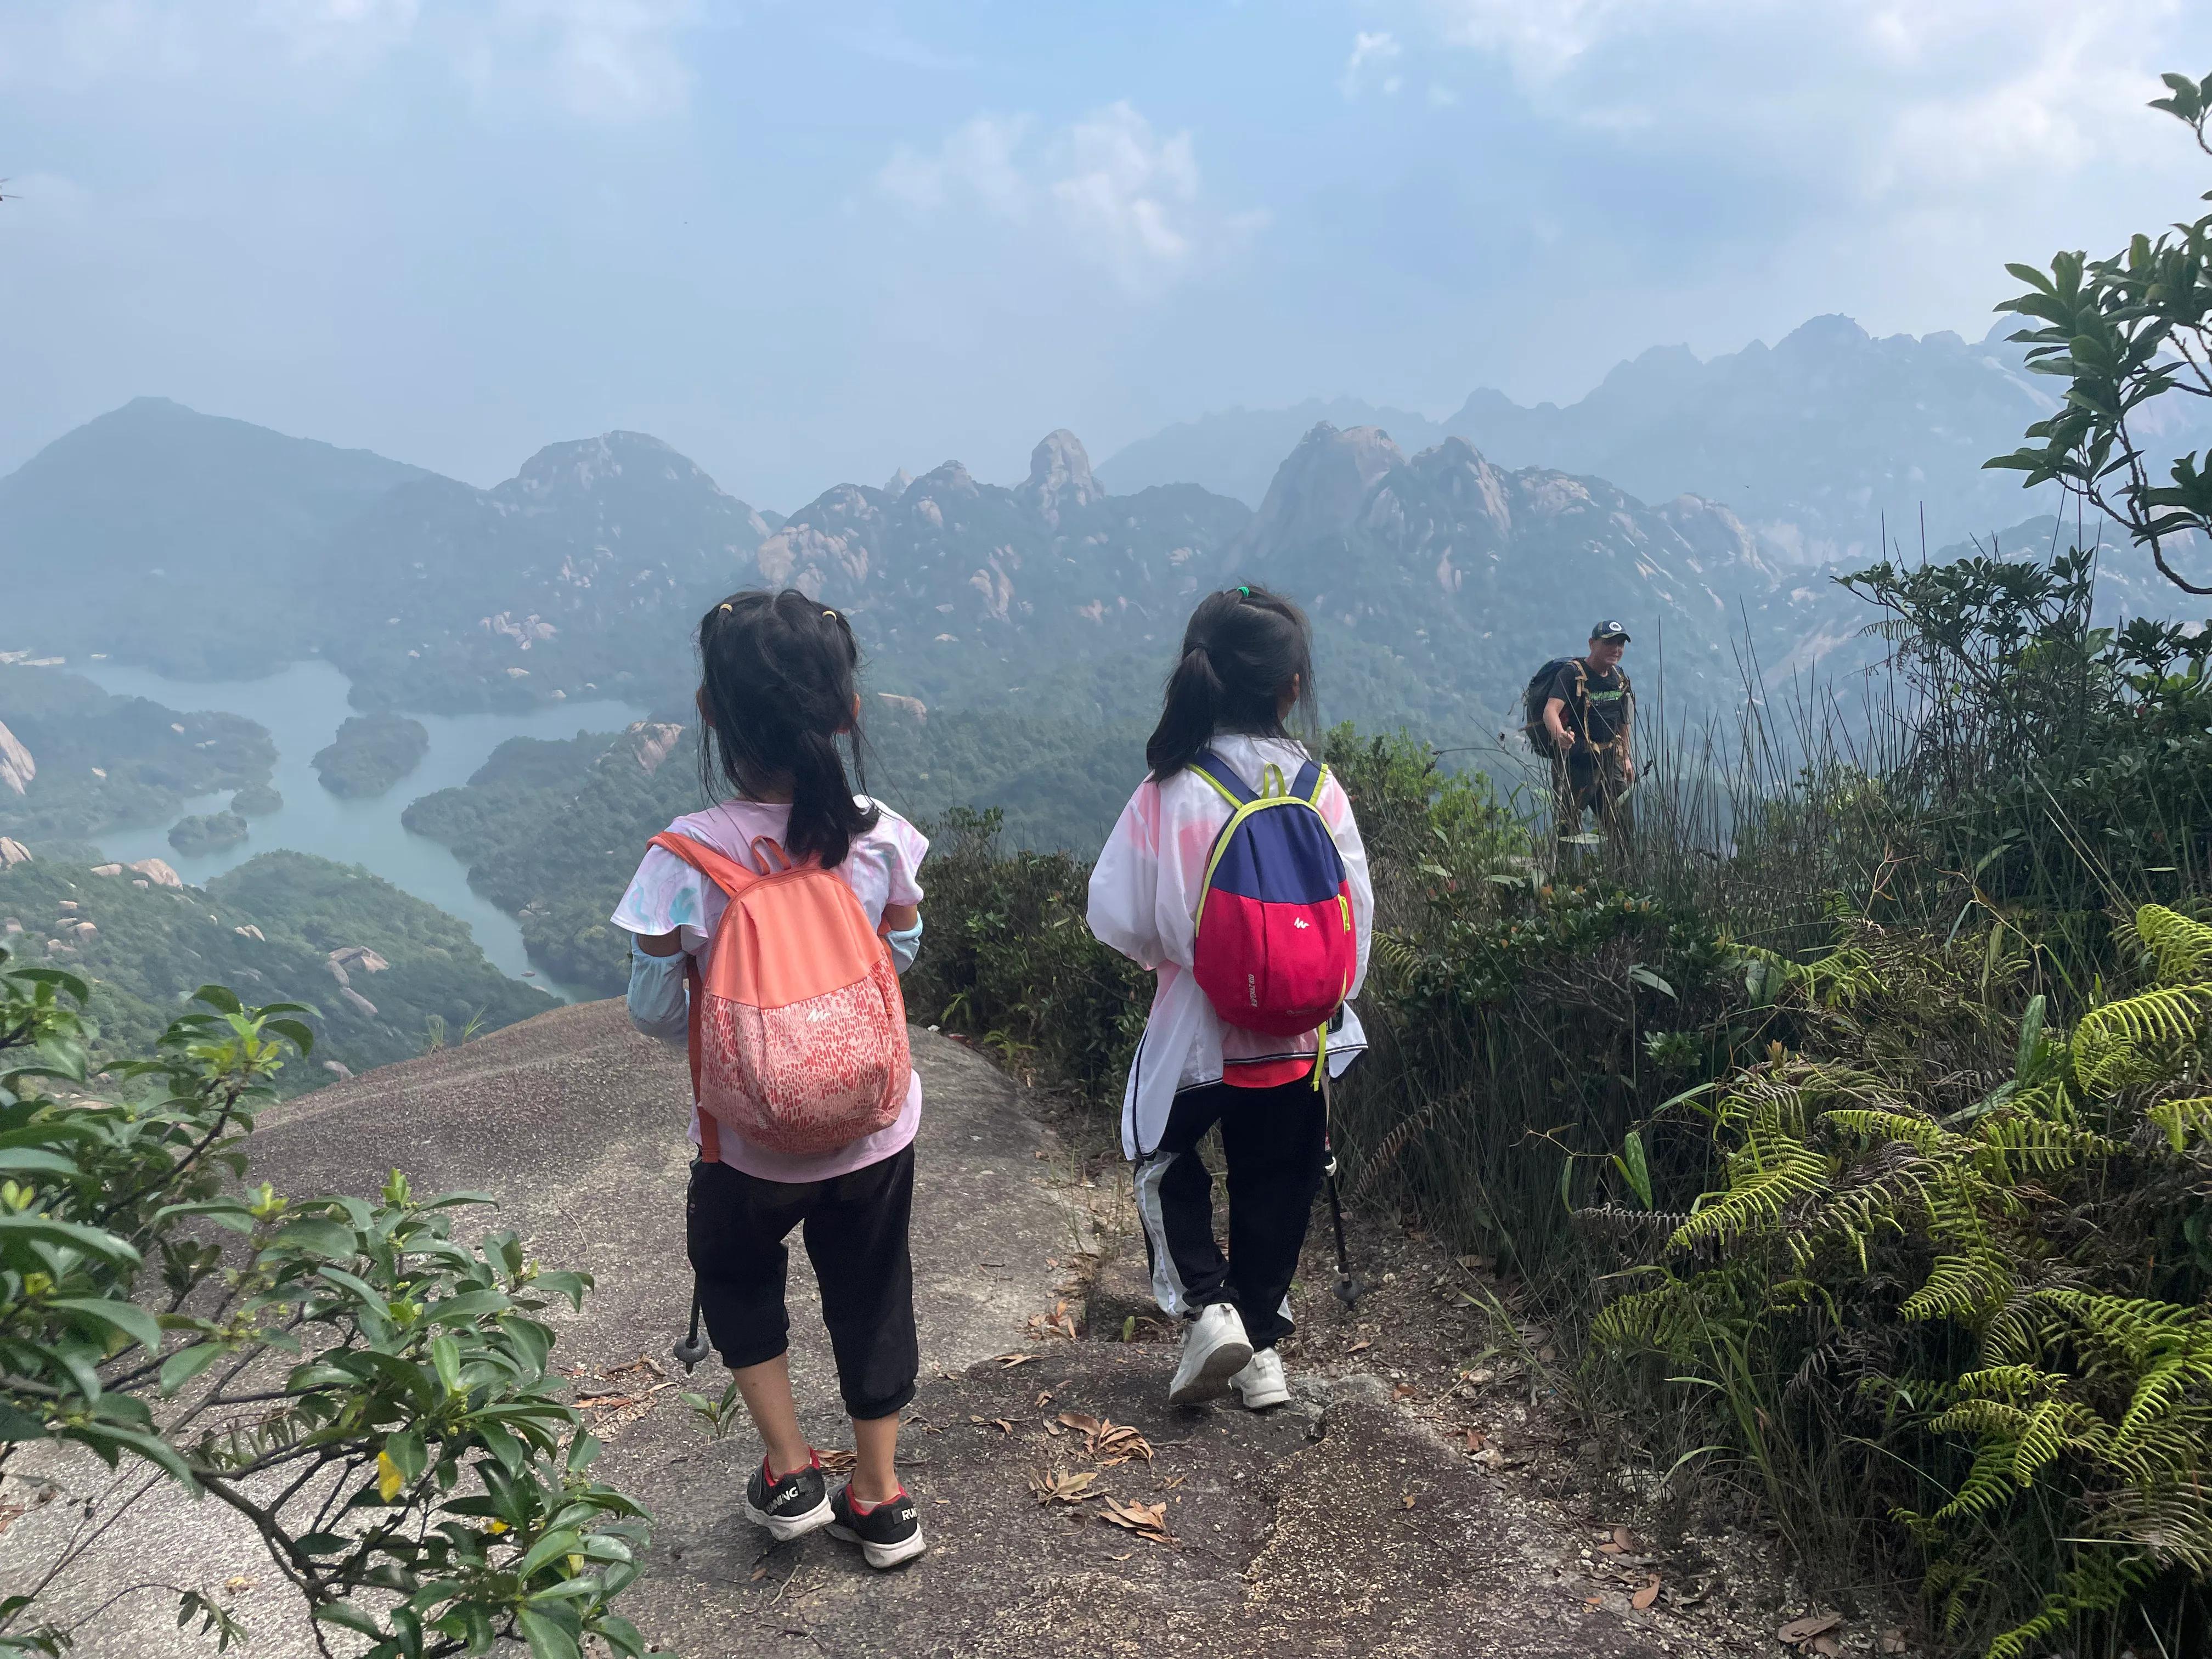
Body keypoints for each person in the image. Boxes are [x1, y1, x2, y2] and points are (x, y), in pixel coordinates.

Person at [615, 589, 932, 1570]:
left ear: (712, 712)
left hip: (747, 1142)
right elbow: (901, 955)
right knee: (873, 1290)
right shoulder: (879, 833)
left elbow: (657, 1012)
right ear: (846, 712)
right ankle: (879, 1495)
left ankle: (788, 1467)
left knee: (738, 1272)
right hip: (874, 1130)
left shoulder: (684, 857)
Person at [1087, 586, 1373, 1410]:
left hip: (1196, 1032)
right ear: (1290, 688)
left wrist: (1181, 958)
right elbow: (1357, 923)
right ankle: (1263, 1345)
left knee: (1160, 1154)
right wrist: (1310, 986)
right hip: (1301, 1034)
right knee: (1279, 1178)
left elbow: (1118, 916)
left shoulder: (1172, 788)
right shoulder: (1322, 789)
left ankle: (1211, 1309)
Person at [1543, 620, 1636, 843]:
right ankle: (1563, 875)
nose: (1616, 649)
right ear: (1592, 644)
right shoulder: (1572, 674)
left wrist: (1626, 759)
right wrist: (1560, 735)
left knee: (1623, 828)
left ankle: (1621, 876)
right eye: (1610, 643)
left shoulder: (1619, 678)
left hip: (1609, 763)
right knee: (1568, 829)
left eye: (1620, 644)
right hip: (1577, 764)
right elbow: (1550, 710)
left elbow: (1623, 722)